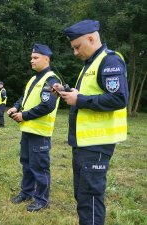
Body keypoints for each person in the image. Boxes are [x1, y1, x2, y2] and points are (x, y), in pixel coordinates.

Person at [52, 20, 129, 225]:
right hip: (83, 144)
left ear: (91, 38)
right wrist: (67, 93)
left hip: (97, 145)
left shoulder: (109, 61)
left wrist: (80, 100)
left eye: (77, 47)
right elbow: (85, 95)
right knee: (83, 196)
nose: (75, 52)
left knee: (90, 200)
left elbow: (119, 99)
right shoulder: (90, 64)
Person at [7, 43, 61, 212]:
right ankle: (26, 192)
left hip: (40, 132)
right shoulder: (34, 78)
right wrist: (16, 107)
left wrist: (24, 115)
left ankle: (42, 199)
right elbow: (25, 97)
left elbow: (47, 106)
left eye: (35, 58)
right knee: (27, 164)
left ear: (47, 59)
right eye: (31, 57)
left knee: (40, 167)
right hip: (28, 130)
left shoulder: (51, 80)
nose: (32, 61)